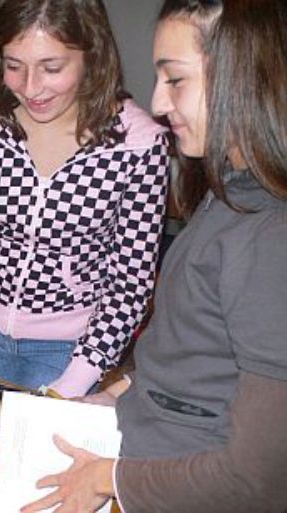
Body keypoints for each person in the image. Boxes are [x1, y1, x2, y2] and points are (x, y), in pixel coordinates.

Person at [21, 1, 287, 512]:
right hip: (144, 455)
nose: (158, 103)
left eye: (176, 80)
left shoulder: (270, 240)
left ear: (245, 75)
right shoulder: (230, 190)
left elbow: (257, 479)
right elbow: (199, 354)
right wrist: (119, 392)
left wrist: (106, 478)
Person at [0, 0, 171, 413]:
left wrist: (71, 385)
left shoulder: (137, 144)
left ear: (92, 56)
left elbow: (130, 283)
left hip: (72, 349)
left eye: (52, 68)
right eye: (14, 65)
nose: (30, 88)